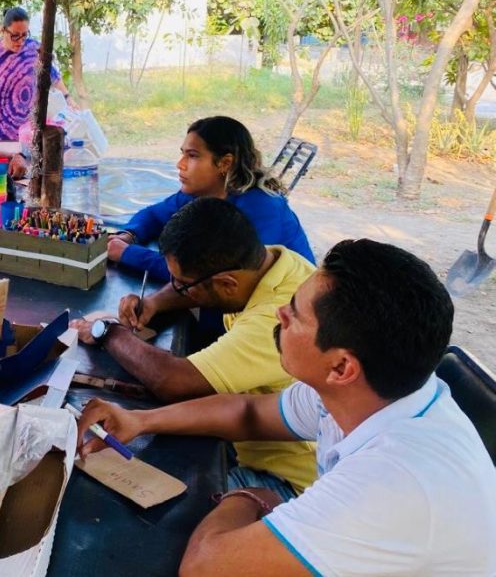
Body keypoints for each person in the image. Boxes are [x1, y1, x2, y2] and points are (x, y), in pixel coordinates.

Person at [78, 239, 496, 577]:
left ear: (342, 367)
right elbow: (248, 413)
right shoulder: (370, 391)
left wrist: (250, 497)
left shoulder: (391, 482)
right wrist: (140, 420)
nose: (279, 312)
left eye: (294, 315)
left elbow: (206, 567)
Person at [75, 197, 317, 497]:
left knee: (154, 500)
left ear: (228, 284)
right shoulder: (269, 263)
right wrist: (155, 302)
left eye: (182, 283)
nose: (178, 290)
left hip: (285, 479)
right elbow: (240, 408)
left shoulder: (277, 319)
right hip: (245, 430)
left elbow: (175, 382)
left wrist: (106, 331)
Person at [108, 116, 313, 282]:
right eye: (182, 154)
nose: (180, 164)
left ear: (225, 163)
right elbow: (154, 215)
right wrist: (128, 235)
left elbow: (214, 277)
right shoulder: (198, 193)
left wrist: (128, 254)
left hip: (287, 308)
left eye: (192, 155)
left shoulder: (261, 207)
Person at [0, 6, 74, 142]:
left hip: (32, 132)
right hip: (1, 136)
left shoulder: (33, 49)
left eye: (24, 35)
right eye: (15, 36)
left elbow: (52, 75)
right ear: (3, 30)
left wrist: (68, 98)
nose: (20, 41)